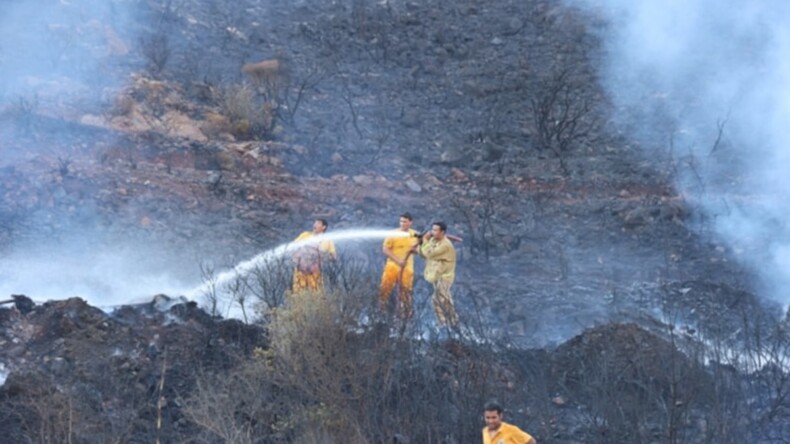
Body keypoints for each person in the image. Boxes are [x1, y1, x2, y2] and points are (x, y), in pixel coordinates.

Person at [417, 221, 459, 327]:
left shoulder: (445, 245)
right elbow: (424, 254)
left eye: (435, 230)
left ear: (442, 232)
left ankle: (444, 324)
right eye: (432, 229)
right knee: (445, 300)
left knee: (437, 299)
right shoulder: (433, 240)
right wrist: (421, 243)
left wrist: (425, 240)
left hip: (445, 276)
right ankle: (451, 323)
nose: (432, 232)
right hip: (437, 275)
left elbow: (430, 254)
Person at [379, 212, 419, 317]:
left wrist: (414, 249)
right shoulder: (393, 233)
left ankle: (405, 314)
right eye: (401, 221)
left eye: (405, 222)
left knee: (406, 291)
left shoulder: (415, 234)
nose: (402, 224)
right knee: (385, 288)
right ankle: (381, 311)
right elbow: (385, 249)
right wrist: (398, 261)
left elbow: (420, 250)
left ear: (410, 222)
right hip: (392, 266)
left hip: (407, 268)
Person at [291, 218, 336, 293]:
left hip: (315, 273)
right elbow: (293, 247)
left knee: (316, 295)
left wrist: (322, 255)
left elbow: (334, 257)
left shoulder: (328, 240)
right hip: (300, 271)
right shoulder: (305, 235)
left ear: (324, 227)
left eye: (318, 223)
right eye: (314, 223)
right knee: (297, 295)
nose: (315, 225)